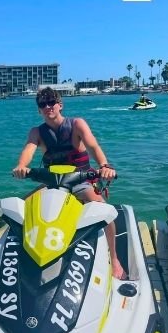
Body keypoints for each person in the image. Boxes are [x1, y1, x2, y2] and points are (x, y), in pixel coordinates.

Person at [12, 87, 125, 280]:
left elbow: (93, 146)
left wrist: (105, 165)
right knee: (22, 209)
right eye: (42, 104)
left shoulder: (77, 124)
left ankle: (114, 258)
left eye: (51, 102)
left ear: (60, 105)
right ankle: (24, 255)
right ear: (39, 110)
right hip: (53, 183)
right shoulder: (37, 132)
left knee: (103, 210)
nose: (47, 106)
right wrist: (21, 166)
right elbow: (29, 150)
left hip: (80, 180)